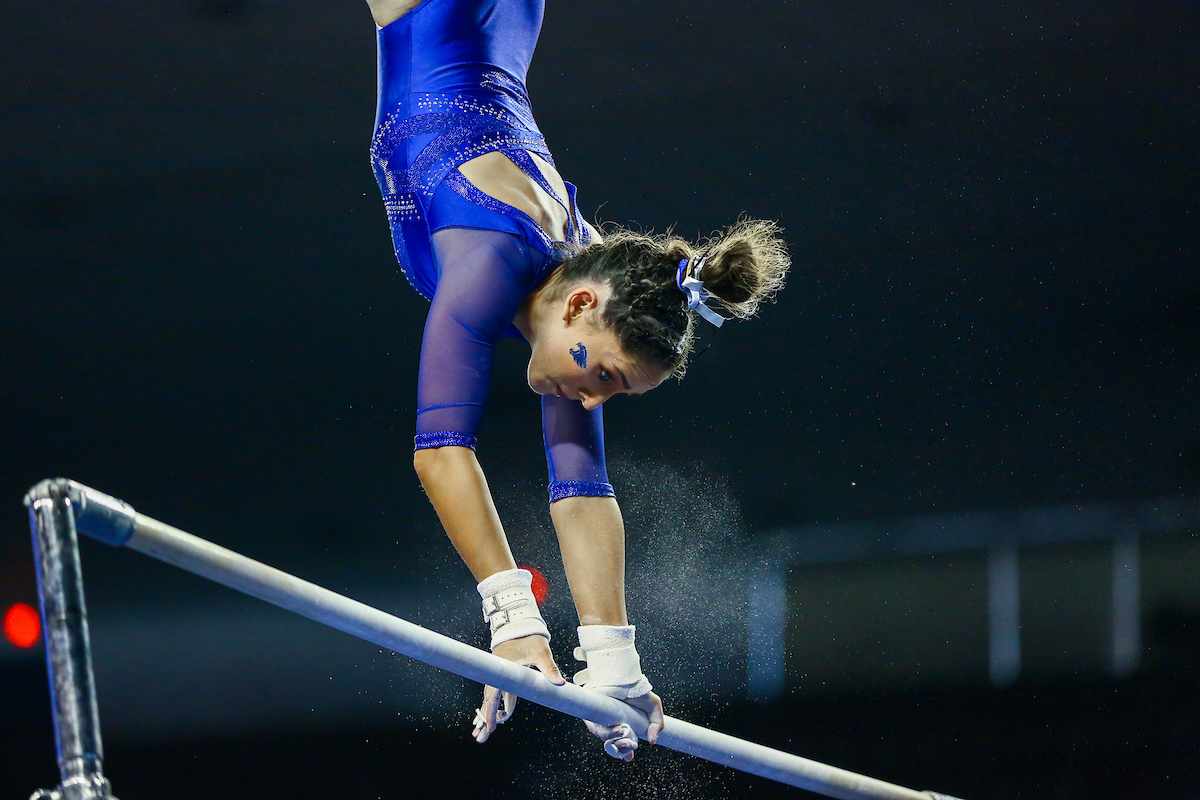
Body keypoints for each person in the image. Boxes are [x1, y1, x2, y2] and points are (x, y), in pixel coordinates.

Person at [364, 0, 789, 762]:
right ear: (582, 306)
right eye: (604, 377)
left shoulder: (588, 291)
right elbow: (439, 449)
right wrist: (514, 620)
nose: (591, 401)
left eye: (613, 396)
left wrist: (615, 661)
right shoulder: (490, 262)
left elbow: (582, 486)